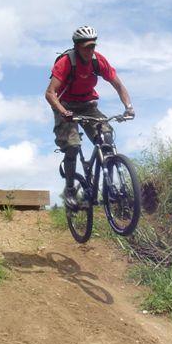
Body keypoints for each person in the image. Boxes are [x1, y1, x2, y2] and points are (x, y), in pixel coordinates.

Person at [45, 26, 134, 208]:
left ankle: (108, 186)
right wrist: (63, 112)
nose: (90, 50)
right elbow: (50, 93)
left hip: (88, 105)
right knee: (72, 146)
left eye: (93, 46)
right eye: (86, 46)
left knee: (106, 138)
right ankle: (70, 190)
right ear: (77, 46)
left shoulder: (98, 61)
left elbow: (118, 85)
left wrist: (128, 107)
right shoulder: (65, 62)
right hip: (65, 105)